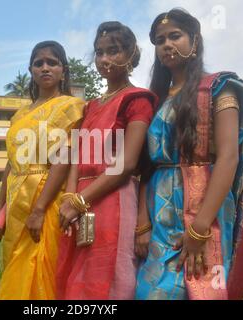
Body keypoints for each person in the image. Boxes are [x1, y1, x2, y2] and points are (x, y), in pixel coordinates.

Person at [135, 8, 243, 300]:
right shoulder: (158, 98)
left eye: (175, 35)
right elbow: (147, 167)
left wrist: (200, 228)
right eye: (160, 40)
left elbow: (228, 157)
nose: (166, 44)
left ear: (195, 40)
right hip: (159, 209)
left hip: (205, 207)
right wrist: (142, 223)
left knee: (202, 288)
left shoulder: (219, 87)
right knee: (148, 293)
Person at [56, 21, 158, 300]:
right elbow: (77, 154)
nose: (104, 59)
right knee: (80, 274)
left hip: (114, 197)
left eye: (113, 51)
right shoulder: (91, 106)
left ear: (131, 55)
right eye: (99, 53)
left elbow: (125, 165)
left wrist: (79, 201)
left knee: (112, 276)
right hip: (82, 199)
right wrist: (69, 195)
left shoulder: (138, 99)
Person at [0, 41, 85, 300]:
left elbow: (64, 158)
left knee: (42, 265)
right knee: (15, 263)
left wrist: (38, 210)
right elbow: (11, 163)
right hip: (15, 198)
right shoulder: (20, 114)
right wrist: (1, 209)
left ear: (63, 70)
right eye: (39, 63)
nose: (45, 68)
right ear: (31, 70)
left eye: (52, 62)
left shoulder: (71, 106)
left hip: (47, 197)